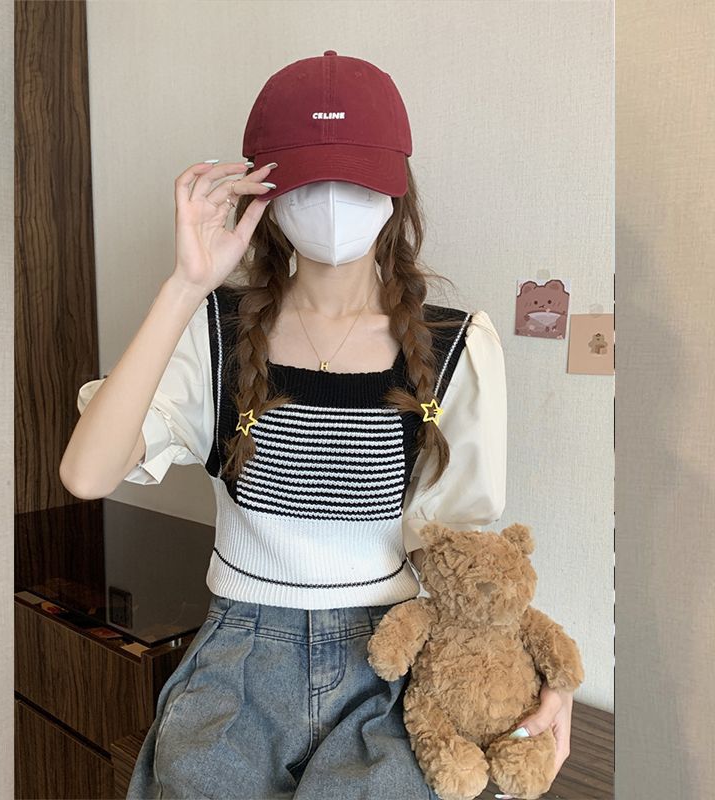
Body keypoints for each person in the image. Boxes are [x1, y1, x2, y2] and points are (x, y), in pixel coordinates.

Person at [60, 51, 574, 800]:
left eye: (356, 177)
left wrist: (534, 666)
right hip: (237, 661)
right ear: (262, 191)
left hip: (390, 664)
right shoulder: (215, 330)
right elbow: (87, 474)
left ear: (396, 188)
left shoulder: (456, 345)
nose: (332, 202)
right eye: (306, 180)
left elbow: (466, 551)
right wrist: (185, 286)